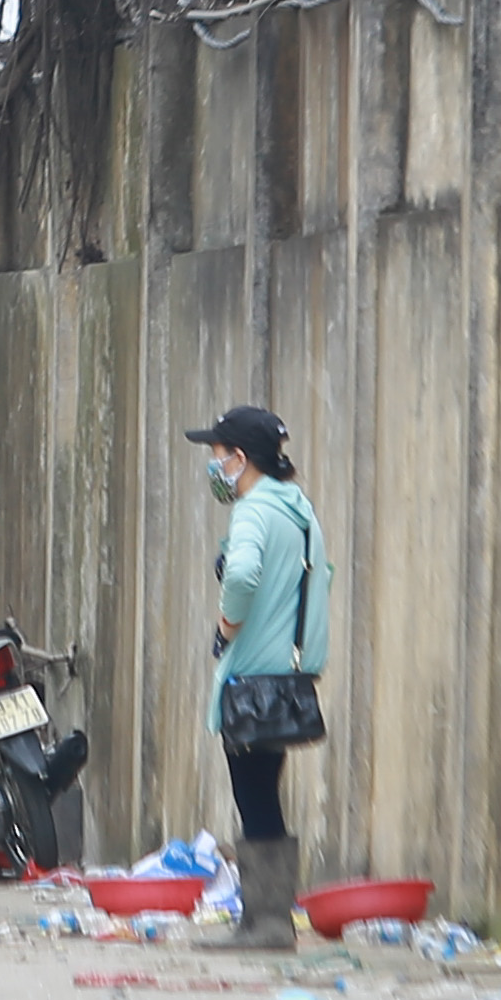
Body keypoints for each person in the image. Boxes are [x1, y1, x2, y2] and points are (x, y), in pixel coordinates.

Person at [186, 405, 328, 952]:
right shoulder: (299, 510)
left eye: (218, 455)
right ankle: (266, 918)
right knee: (266, 792)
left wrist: (227, 624)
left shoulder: (252, 512)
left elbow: (243, 574)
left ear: (240, 458)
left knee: (255, 799)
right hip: (290, 677)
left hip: (253, 679)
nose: (215, 465)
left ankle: (266, 924)